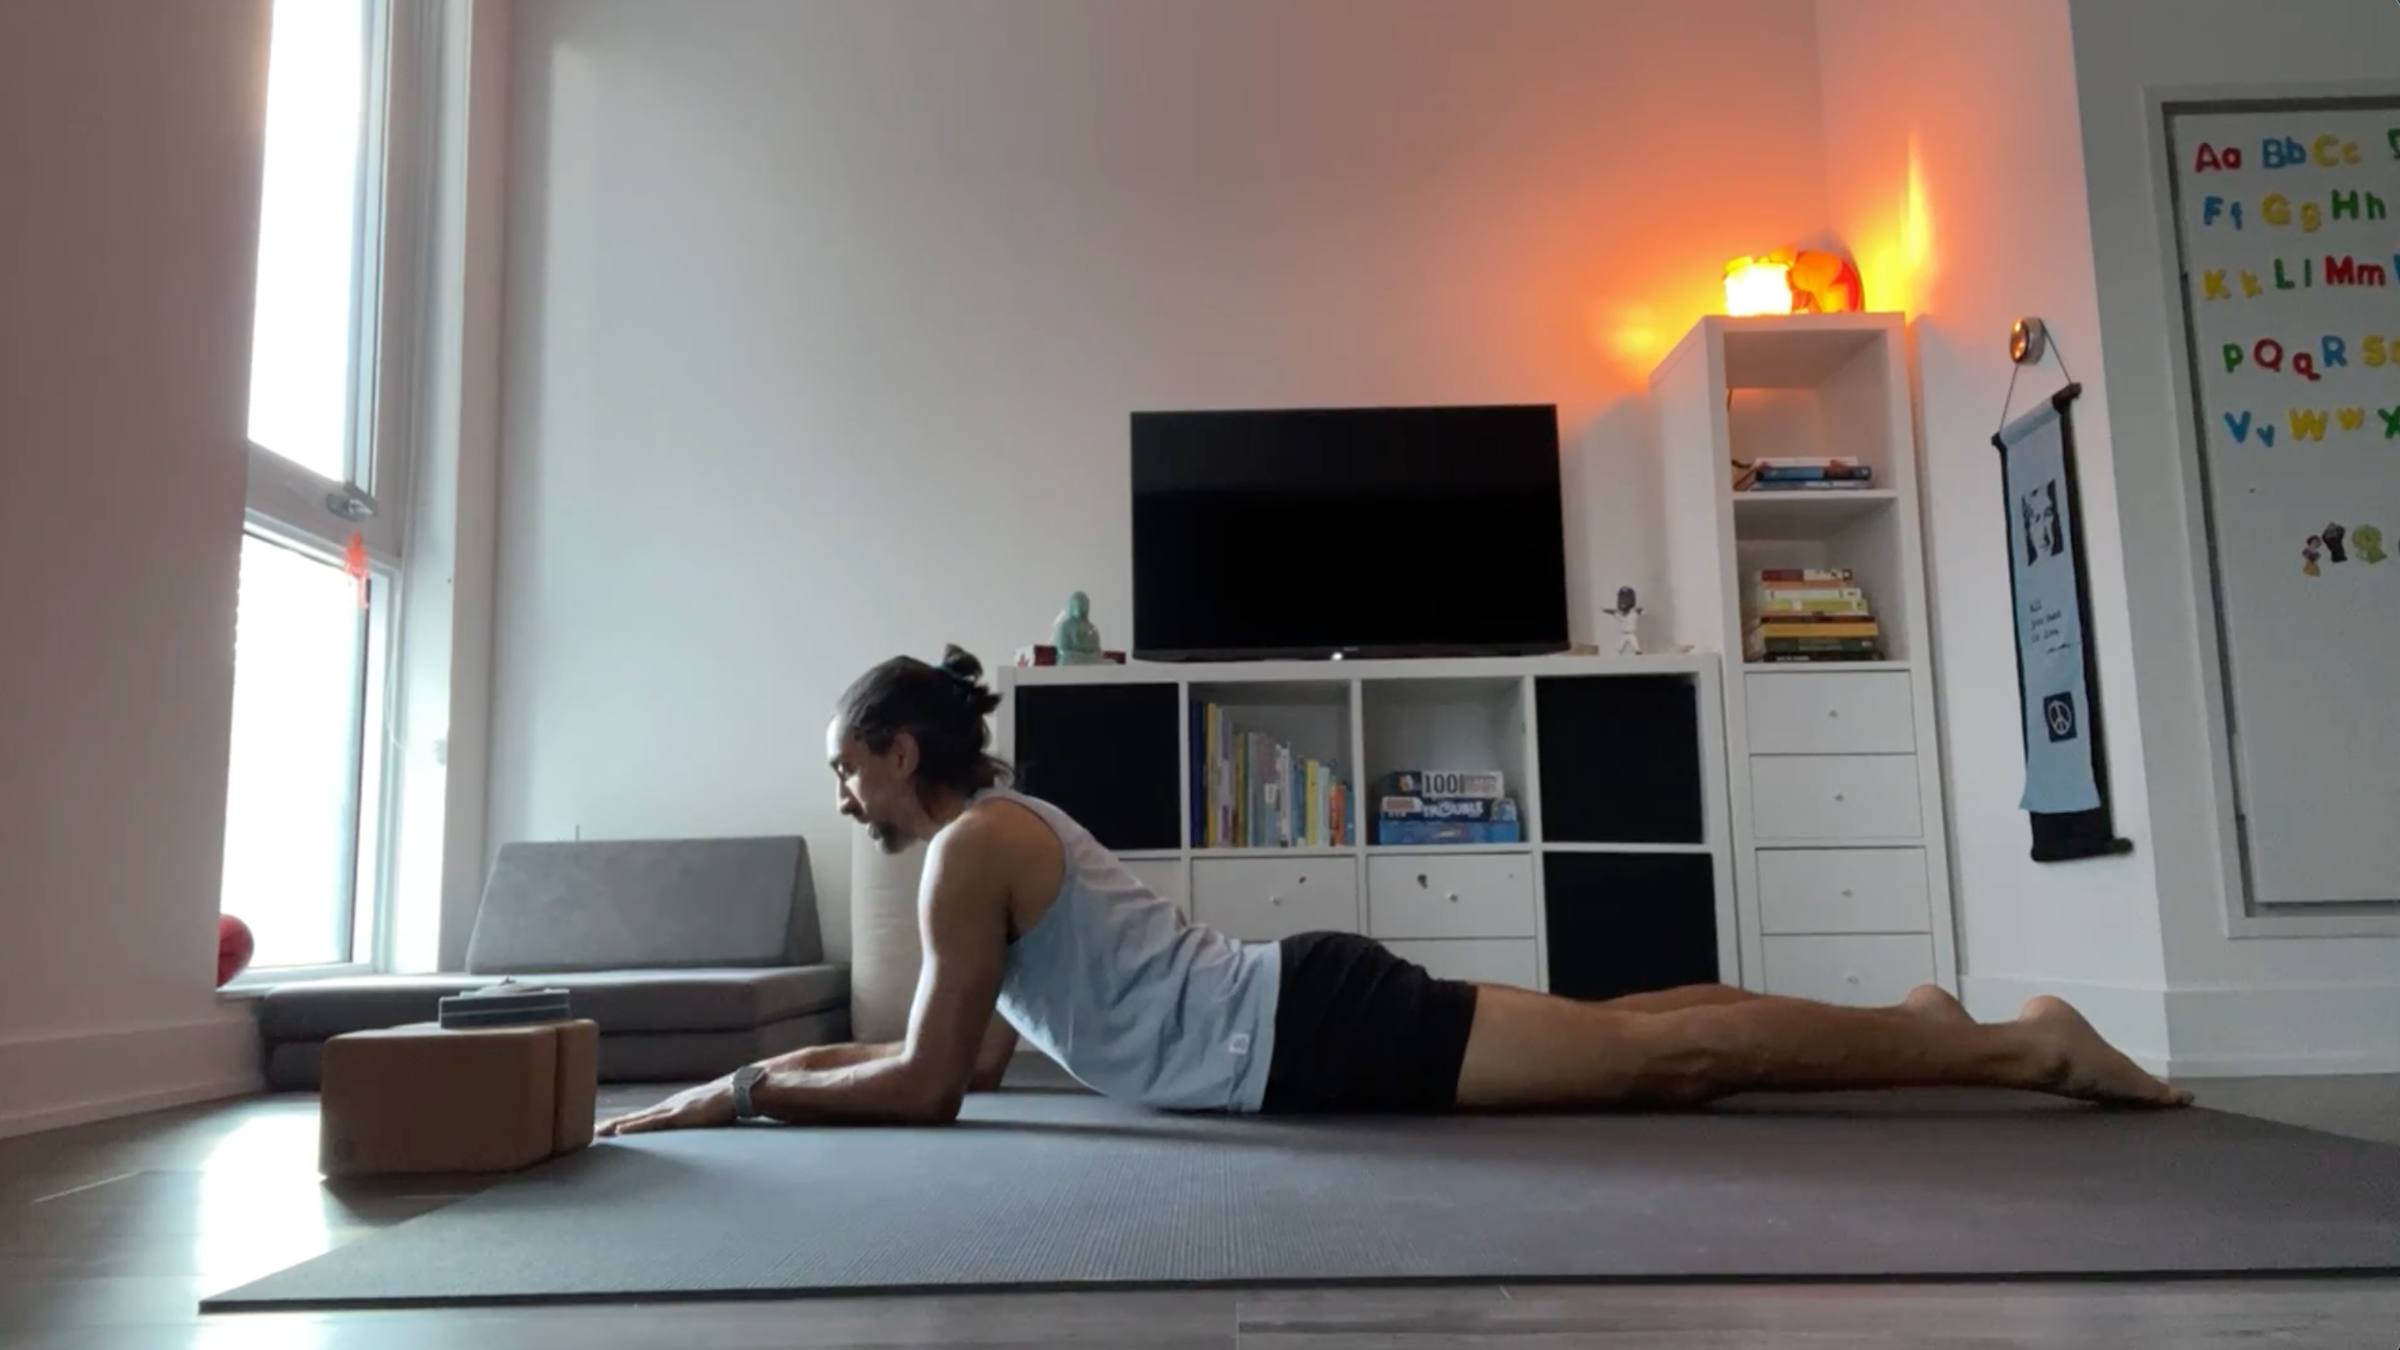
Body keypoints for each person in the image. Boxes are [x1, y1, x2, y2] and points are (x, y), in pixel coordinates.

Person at [597, 646, 2189, 1136]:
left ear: (897, 750)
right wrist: (748, 1084)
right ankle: (1917, 1017)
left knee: (1666, 1063)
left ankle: (2022, 1045)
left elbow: (930, 1087)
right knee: (1638, 1025)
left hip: (1312, 1030)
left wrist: (745, 1089)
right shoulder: (995, 839)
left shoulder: (966, 852)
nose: (843, 798)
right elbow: (971, 1056)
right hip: (1301, 1015)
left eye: (846, 770)